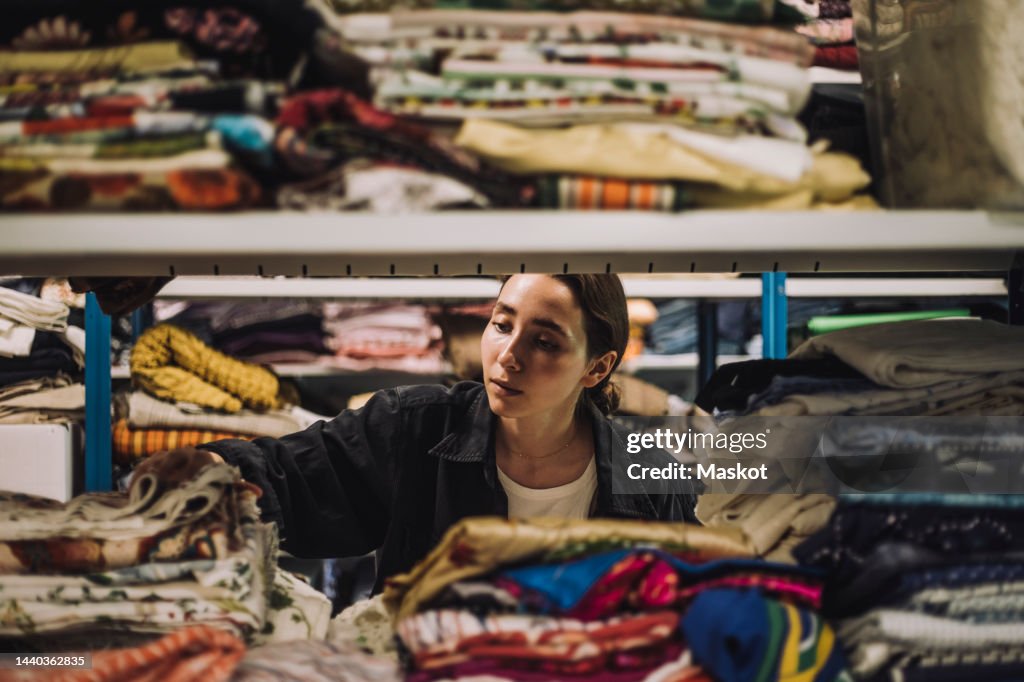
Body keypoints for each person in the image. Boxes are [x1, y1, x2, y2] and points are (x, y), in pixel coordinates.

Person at [137, 274, 698, 591]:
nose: (508, 355)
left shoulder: (649, 469)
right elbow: (286, 475)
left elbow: (683, 600)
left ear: (596, 368)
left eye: (545, 341)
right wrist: (193, 474)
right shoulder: (417, 426)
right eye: (501, 325)